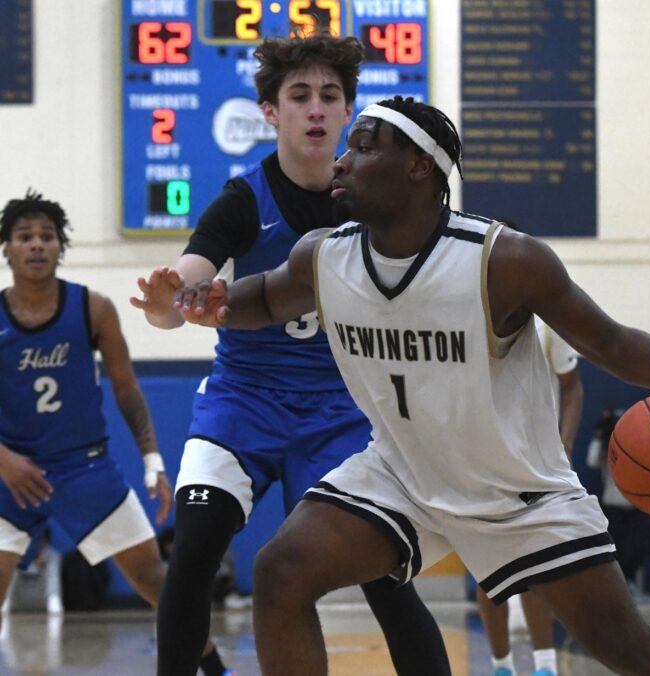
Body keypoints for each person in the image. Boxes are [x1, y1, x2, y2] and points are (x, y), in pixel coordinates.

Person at [175, 95, 650, 676]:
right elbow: (266, 297)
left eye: (365, 146)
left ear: (420, 166)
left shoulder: (504, 261)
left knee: (631, 650)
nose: (341, 161)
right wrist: (216, 304)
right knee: (281, 570)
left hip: (517, 494)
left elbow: (611, 343)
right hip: (402, 475)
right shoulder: (324, 255)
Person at [130, 35, 451, 676]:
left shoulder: (374, 204)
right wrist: (167, 302)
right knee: (192, 553)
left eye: (329, 96)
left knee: (386, 576)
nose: (315, 109)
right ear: (270, 112)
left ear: (348, 111)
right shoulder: (243, 199)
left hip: (340, 413)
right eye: (299, 95)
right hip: (242, 404)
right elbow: (185, 292)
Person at [0, 191, 231, 676]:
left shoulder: (93, 307)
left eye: (46, 237)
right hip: (12, 470)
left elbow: (126, 389)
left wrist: (152, 461)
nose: (36, 245)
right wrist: (3, 460)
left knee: (154, 578)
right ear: (8, 249)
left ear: (60, 248)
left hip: (83, 467)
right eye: (25, 237)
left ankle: (213, 667)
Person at [477, 317, 584, 676]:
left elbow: (571, 387)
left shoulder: (550, 316)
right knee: (487, 570)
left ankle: (544, 667)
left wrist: (564, 444)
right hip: (480, 454)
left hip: (534, 458)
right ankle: (501, 667)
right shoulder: (465, 307)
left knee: (535, 564)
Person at [586, 405, 650, 587]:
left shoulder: (638, 446)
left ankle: (630, 577)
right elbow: (591, 461)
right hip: (612, 505)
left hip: (636, 505)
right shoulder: (607, 448)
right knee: (616, 549)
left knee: (641, 546)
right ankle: (620, 584)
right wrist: (600, 436)